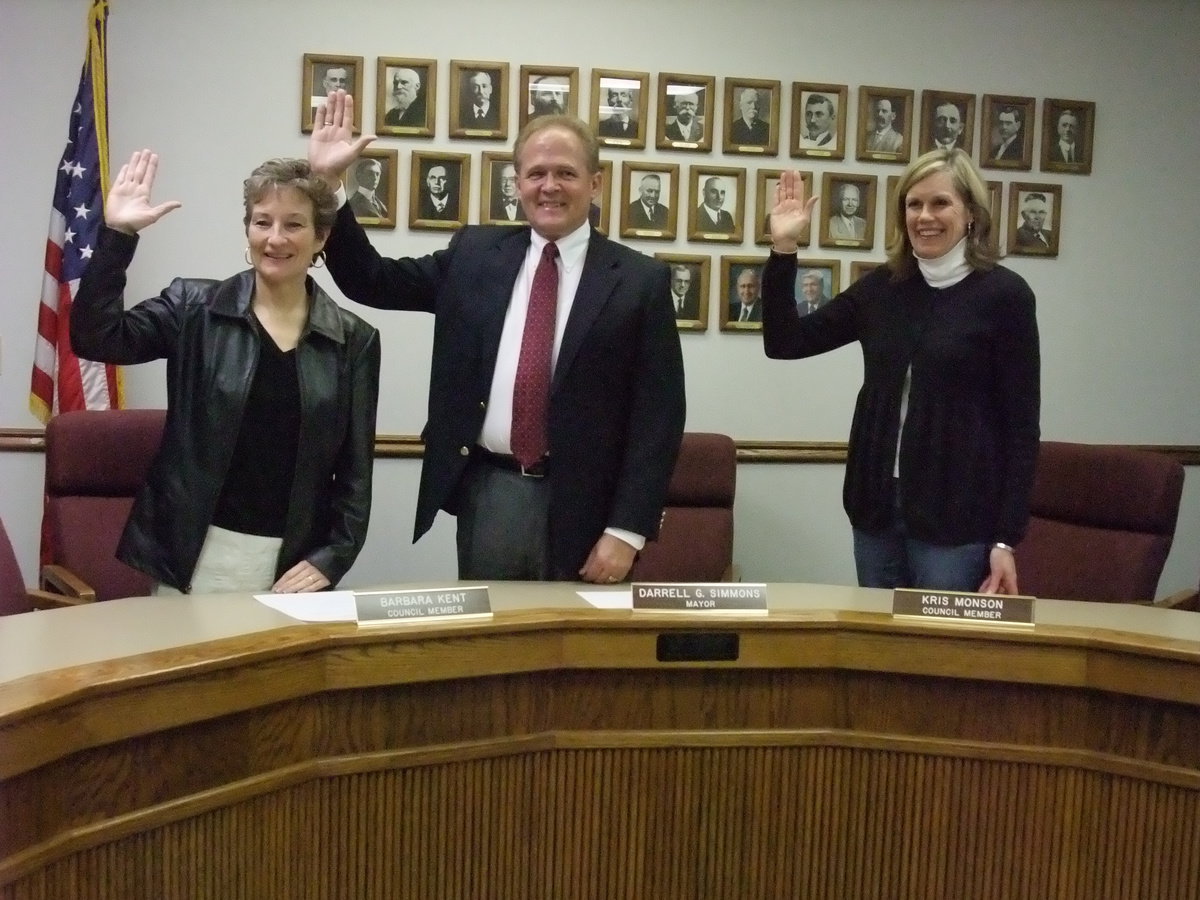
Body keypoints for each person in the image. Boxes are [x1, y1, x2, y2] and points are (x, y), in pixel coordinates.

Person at [309, 91, 686, 585]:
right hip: (490, 491)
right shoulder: (475, 256)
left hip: (591, 505)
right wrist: (329, 185)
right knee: (494, 650)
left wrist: (628, 530)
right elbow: (371, 281)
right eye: (536, 174)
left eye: (566, 173)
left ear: (595, 184)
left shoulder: (639, 281)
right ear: (517, 183)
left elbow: (659, 415)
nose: (549, 186)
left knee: (576, 656)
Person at [70, 150, 381, 595]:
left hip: (292, 565)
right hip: (194, 552)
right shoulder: (193, 308)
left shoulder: (354, 341)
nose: (275, 238)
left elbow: (356, 475)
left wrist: (333, 557)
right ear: (247, 230)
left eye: (293, 224)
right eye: (262, 221)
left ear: (320, 238)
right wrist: (118, 234)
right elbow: (96, 338)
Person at [761, 148, 1040, 594]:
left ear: (970, 213)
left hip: (956, 522)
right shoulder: (882, 289)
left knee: (936, 658)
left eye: (940, 203)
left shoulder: (1005, 297)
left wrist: (1007, 538)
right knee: (876, 655)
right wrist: (784, 249)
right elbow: (785, 343)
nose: (924, 216)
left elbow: (1021, 428)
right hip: (877, 512)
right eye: (914, 204)